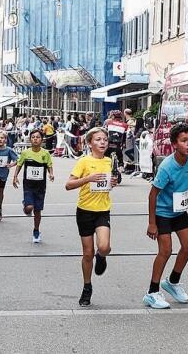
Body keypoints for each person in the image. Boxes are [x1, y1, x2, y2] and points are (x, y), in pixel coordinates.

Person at [143, 123, 188, 309]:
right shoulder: (167, 167)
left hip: (179, 210)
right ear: (174, 144)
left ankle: (172, 282)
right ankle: (152, 292)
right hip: (162, 212)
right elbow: (153, 195)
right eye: (184, 141)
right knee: (166, 250)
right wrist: (152, 223)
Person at [65, 127, 118, 307]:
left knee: (104, 247)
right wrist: (88, 178)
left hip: (103, 209)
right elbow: (69, 185)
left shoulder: (109, 161)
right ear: (89, 143)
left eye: (105, 139)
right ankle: (87, 287)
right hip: (85, 210)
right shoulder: (84, 162)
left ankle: (101, 256)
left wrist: (112, 183)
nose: (102, 142)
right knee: (87, 254)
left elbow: (108, 184)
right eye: (98, 139)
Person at [12, 129, 54, 243]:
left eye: (38, 137)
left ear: (42, 140)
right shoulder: (26, 153)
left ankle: (36, 230)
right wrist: (15, 176)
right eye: (33, 137)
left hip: (41, 186)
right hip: (28, 186)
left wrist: (51, 174)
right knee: (29, 208)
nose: (35, 139)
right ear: (30, 139)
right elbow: (19, 164)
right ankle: (26, 205)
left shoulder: (45, 153)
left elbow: (49, 165)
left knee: (37, 211)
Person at [104, 110, 128, 184]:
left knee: (105, 158)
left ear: (113, 116)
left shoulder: (108, 122)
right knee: (120, 158)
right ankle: (120, 167)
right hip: (118, 145)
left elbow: (104, 132)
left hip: (108, 144)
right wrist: (124, 144)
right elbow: (125, 136)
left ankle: (105, 170)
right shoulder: (125, 125)